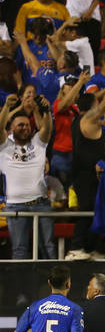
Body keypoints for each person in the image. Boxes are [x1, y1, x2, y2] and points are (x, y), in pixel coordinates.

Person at [0, 92, 55, 259]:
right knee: (19, 249)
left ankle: (56, 285)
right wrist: (7, 107)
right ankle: (19, 285)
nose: (25, 127)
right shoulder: (5, 146)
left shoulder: (37, 144)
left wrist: (46, 110)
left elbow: (47, 129)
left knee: (48, 248)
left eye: (26, 125)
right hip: (15, 206)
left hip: (41, 203)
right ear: (11, 129)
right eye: (20, 125)